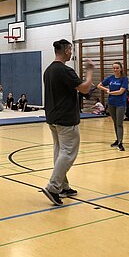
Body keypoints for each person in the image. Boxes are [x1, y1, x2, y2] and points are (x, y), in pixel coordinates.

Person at [41, 39, 94, 206]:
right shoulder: (64, 70)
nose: (71, 53)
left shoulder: (48, 70)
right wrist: (90, 72)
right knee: (68, 153)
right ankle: (53, 187)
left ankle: (63, 186)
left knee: (59, 152)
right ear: (65, 50)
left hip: (53, 117)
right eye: (70, 50)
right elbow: (84, 88)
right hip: (66, 119)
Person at [97, 62, 128, 151]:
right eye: (114, 68)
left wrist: (111, 92)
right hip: (111, 103)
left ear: (121, 69)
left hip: (120, 103)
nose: (115, 70)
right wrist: (106, 89)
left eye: (117, 68)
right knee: (115, 122)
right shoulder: (110, 78)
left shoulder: (124, 79)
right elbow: (99, 85)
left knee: (119, 123)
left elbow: (121, 91)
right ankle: (117, 139)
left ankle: (120, 143)